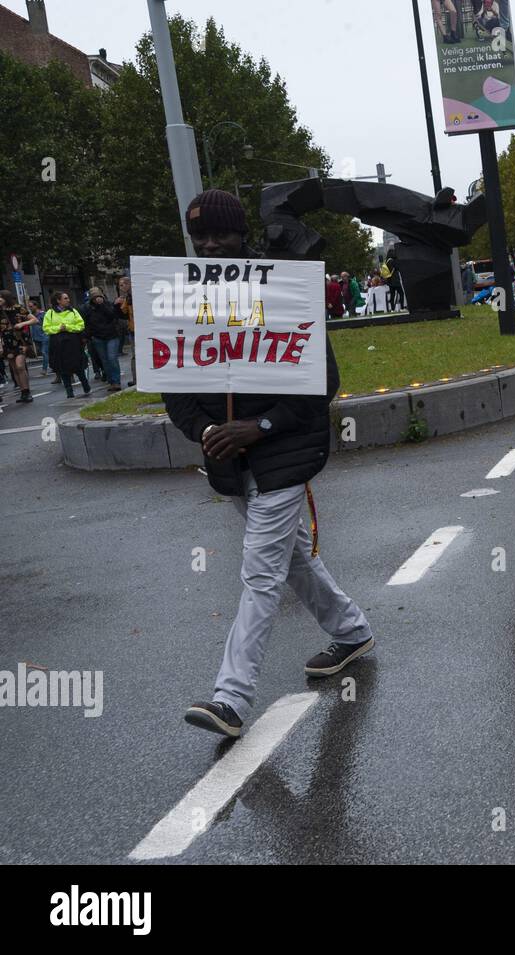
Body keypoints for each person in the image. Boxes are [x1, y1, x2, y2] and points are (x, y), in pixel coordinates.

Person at [161, 190, 374, 739]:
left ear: (243, 238)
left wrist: (260, 427)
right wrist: (208, 432)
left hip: (284, 454)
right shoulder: (180, 298)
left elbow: (322, 384)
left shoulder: (283, 290)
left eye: (221, 235)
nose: (209, 246)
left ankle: (229, 699)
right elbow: (176, 392)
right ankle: (352, 632)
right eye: (199, 237)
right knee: (293, 559)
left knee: (260, 572)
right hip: (230, 461)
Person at [43, 291, 91, 398]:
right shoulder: (50, 313)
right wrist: (58, 328)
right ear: (58, 301)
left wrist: (68, 327)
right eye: (65, 298)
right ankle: (69, 391)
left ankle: (85, 383)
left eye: (68, 298)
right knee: (63, 368)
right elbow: (46, 328)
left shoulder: (73, 311)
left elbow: (81, 325)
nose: (68, 300)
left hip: (73, 341)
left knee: (78, 365)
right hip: (58, 343)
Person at [82, 287, 124, 393]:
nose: (97, 298)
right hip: (97, 337)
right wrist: (87, 336)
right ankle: (111, 381)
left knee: (112, 358)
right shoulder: (88, 308)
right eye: (95, 297)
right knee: (104, 361)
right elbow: (87, 323)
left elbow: (112, 315)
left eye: (99, 296)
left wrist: (103, 305)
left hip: (111, 335)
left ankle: (116, 381)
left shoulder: (108, 304)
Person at [0, 292, 35, 403]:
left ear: (6, 298)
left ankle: (27, 391)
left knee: (20, 366)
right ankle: (23, 392)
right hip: (7, 342)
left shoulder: (17, 308)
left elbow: (34, 319)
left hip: (19, 341)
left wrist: (22, 324)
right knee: (14, 369)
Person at [115, 276, 136, 387]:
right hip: (133, 329)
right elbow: (123, 314)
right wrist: (117, 305)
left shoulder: (133, 295)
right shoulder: (127, 297)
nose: (120, 287)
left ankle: (137, 379)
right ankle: (136, 379)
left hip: (137, 328)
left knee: (136, 356)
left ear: (128, 284)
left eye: (121, 285)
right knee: (135, 355)